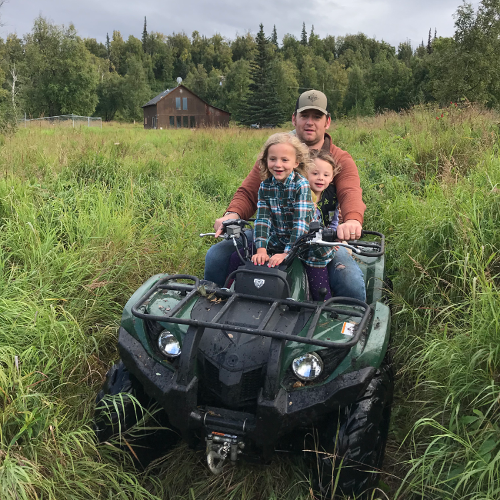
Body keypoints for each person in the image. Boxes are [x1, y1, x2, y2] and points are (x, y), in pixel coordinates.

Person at [205, 90, 366, 302]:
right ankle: (213, 307)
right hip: (275, 231)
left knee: (350, 281)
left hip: (321, 239)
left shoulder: (340, 158)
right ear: (294, 118)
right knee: (216, 256)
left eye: (316, 117)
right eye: (304, 116)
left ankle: (349, 326)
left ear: (327, 122)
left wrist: (352, 219)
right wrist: (232, 214)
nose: (310, 122)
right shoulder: (278, 153)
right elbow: (249, 191)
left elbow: (350, 192)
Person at [248, 133, 334, 300]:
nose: (278, 164)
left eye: (284, 160)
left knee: (318, 285)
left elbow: (300, 223)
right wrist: (261, 249)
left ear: (296, 162)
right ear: (266, 161)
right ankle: (226, 294)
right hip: (278, 240)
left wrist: (287, 253)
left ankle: (324, 310)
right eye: (273, 159)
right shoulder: (265, 186)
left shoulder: (300, 184)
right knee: (240, 258)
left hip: (305, 242)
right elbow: (263, 219)